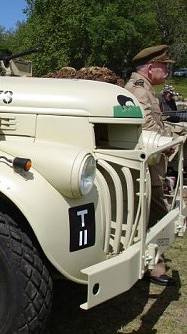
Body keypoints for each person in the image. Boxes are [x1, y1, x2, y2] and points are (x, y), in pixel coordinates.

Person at [125, 44, 175, 286]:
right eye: (164, 66)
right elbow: (145, 125)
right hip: (147, 164)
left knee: (150, 213)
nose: (166, 71)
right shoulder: (137, 90)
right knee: (156, 214)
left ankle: (151, 261)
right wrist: (167, 141)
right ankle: (153, 267)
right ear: (151, 67)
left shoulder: (145, 89)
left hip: (153, 163)